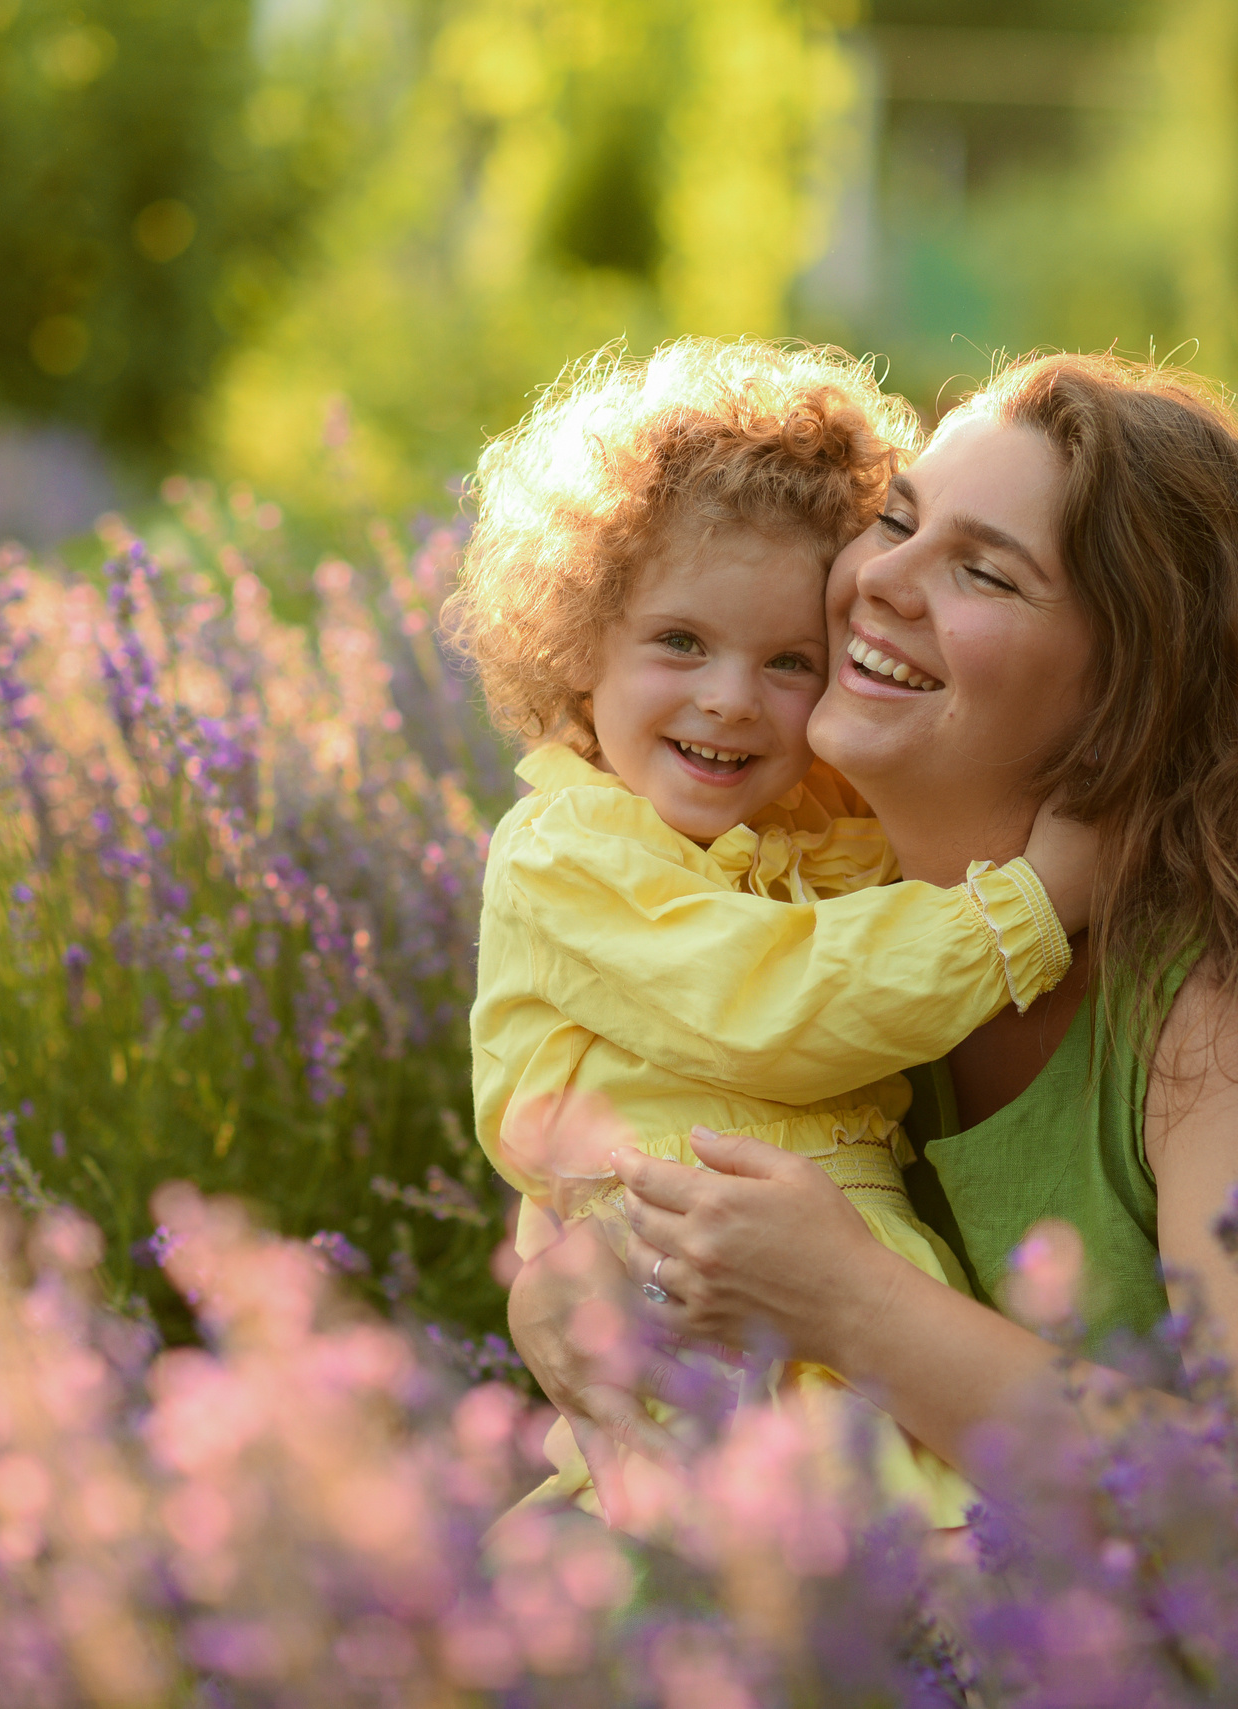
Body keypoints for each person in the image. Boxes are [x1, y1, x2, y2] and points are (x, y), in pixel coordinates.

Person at [507, 351, 1238, 1529]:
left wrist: (850, 1302)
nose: (879, 579)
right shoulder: (832, 913)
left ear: (1128, 695)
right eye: (898, 519)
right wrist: (573, 1271)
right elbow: (639, 1108)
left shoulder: (1233, 1007)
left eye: (984, 573)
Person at [445, 338, 1096, 1529]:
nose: (731, 698)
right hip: (695, 1319)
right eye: (679, 642)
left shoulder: (818, 823)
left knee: (929, 1556)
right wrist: (1027, 907)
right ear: (579, 643)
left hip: (853, 1305)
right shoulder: (566, 853)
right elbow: (760, 1004)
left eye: (790, 661)